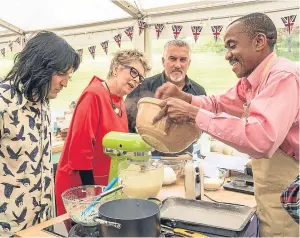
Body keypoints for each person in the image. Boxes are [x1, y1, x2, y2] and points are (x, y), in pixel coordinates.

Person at [153, 13, 299, 237]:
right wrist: (185, 98)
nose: (227, 55)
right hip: (269, 189)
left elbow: (261, 139)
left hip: (288, 190)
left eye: (232, 46)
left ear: (259, 42)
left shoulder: (282, 76)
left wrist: (193, 114)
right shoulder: (250, 82)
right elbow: (218, 104)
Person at [0, 31, 80, 236]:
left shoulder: (42, 100)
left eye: (68, 76)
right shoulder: (3, 102)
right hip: (9, 229)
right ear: (40, 66)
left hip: (40, 225)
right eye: (62, 74)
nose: (65, 83)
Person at [55, 49, 151, 216]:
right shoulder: (93, 95)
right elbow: (80, 149)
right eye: (133, 72)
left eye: (140, 78)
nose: (136, 80)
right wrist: (90, 193)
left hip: (104, 185)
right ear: (116, 68)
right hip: (81, 186)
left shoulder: (119, 100)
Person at [125, 39, 206, 156]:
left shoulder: (199, 92)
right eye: (172, 59)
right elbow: (126, 125)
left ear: (189, 63)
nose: (178, 65)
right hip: (148, 161)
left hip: (182, 161)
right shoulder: (142, 87)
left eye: (183, 60)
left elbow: (201, 130)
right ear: (163, 61)